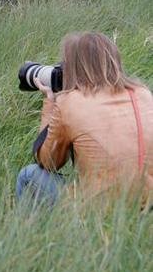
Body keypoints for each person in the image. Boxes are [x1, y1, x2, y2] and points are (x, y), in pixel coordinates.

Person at [15, 32, 152, 207]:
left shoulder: (70, 102)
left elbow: (48, 161)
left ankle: (31, 232)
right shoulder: (142, 93)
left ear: (72, 67)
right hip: (146, 205)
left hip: (100, 210)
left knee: (28, 174)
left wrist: (50, 101)